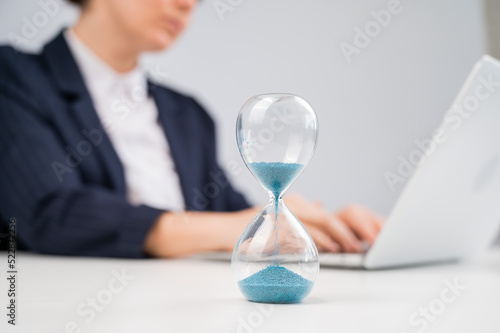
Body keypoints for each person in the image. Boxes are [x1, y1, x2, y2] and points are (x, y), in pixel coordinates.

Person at [0, 0, 383, 258]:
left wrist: (318, 226)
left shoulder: (186, 113)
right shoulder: (15, 78)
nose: (188, 5)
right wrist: (234, 227)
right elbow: (45, 213)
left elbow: (225, 214)